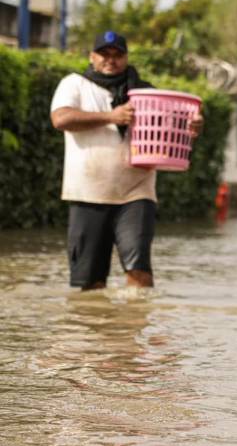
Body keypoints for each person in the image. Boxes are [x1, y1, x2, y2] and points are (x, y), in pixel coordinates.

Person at [50, 30, 202, 290]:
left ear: (126, 57)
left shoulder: (145, 92)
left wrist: (193, 126)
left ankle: (134, 326)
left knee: (139, 270)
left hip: (136, 192)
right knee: (90, 283)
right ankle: (98, 328)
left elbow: (173, 127)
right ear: (92, 57)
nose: (111, 60)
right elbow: (61, 119)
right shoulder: (74, 84)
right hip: (88, 192)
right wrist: (111, 116)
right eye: (104, 54)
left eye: (117, 55)